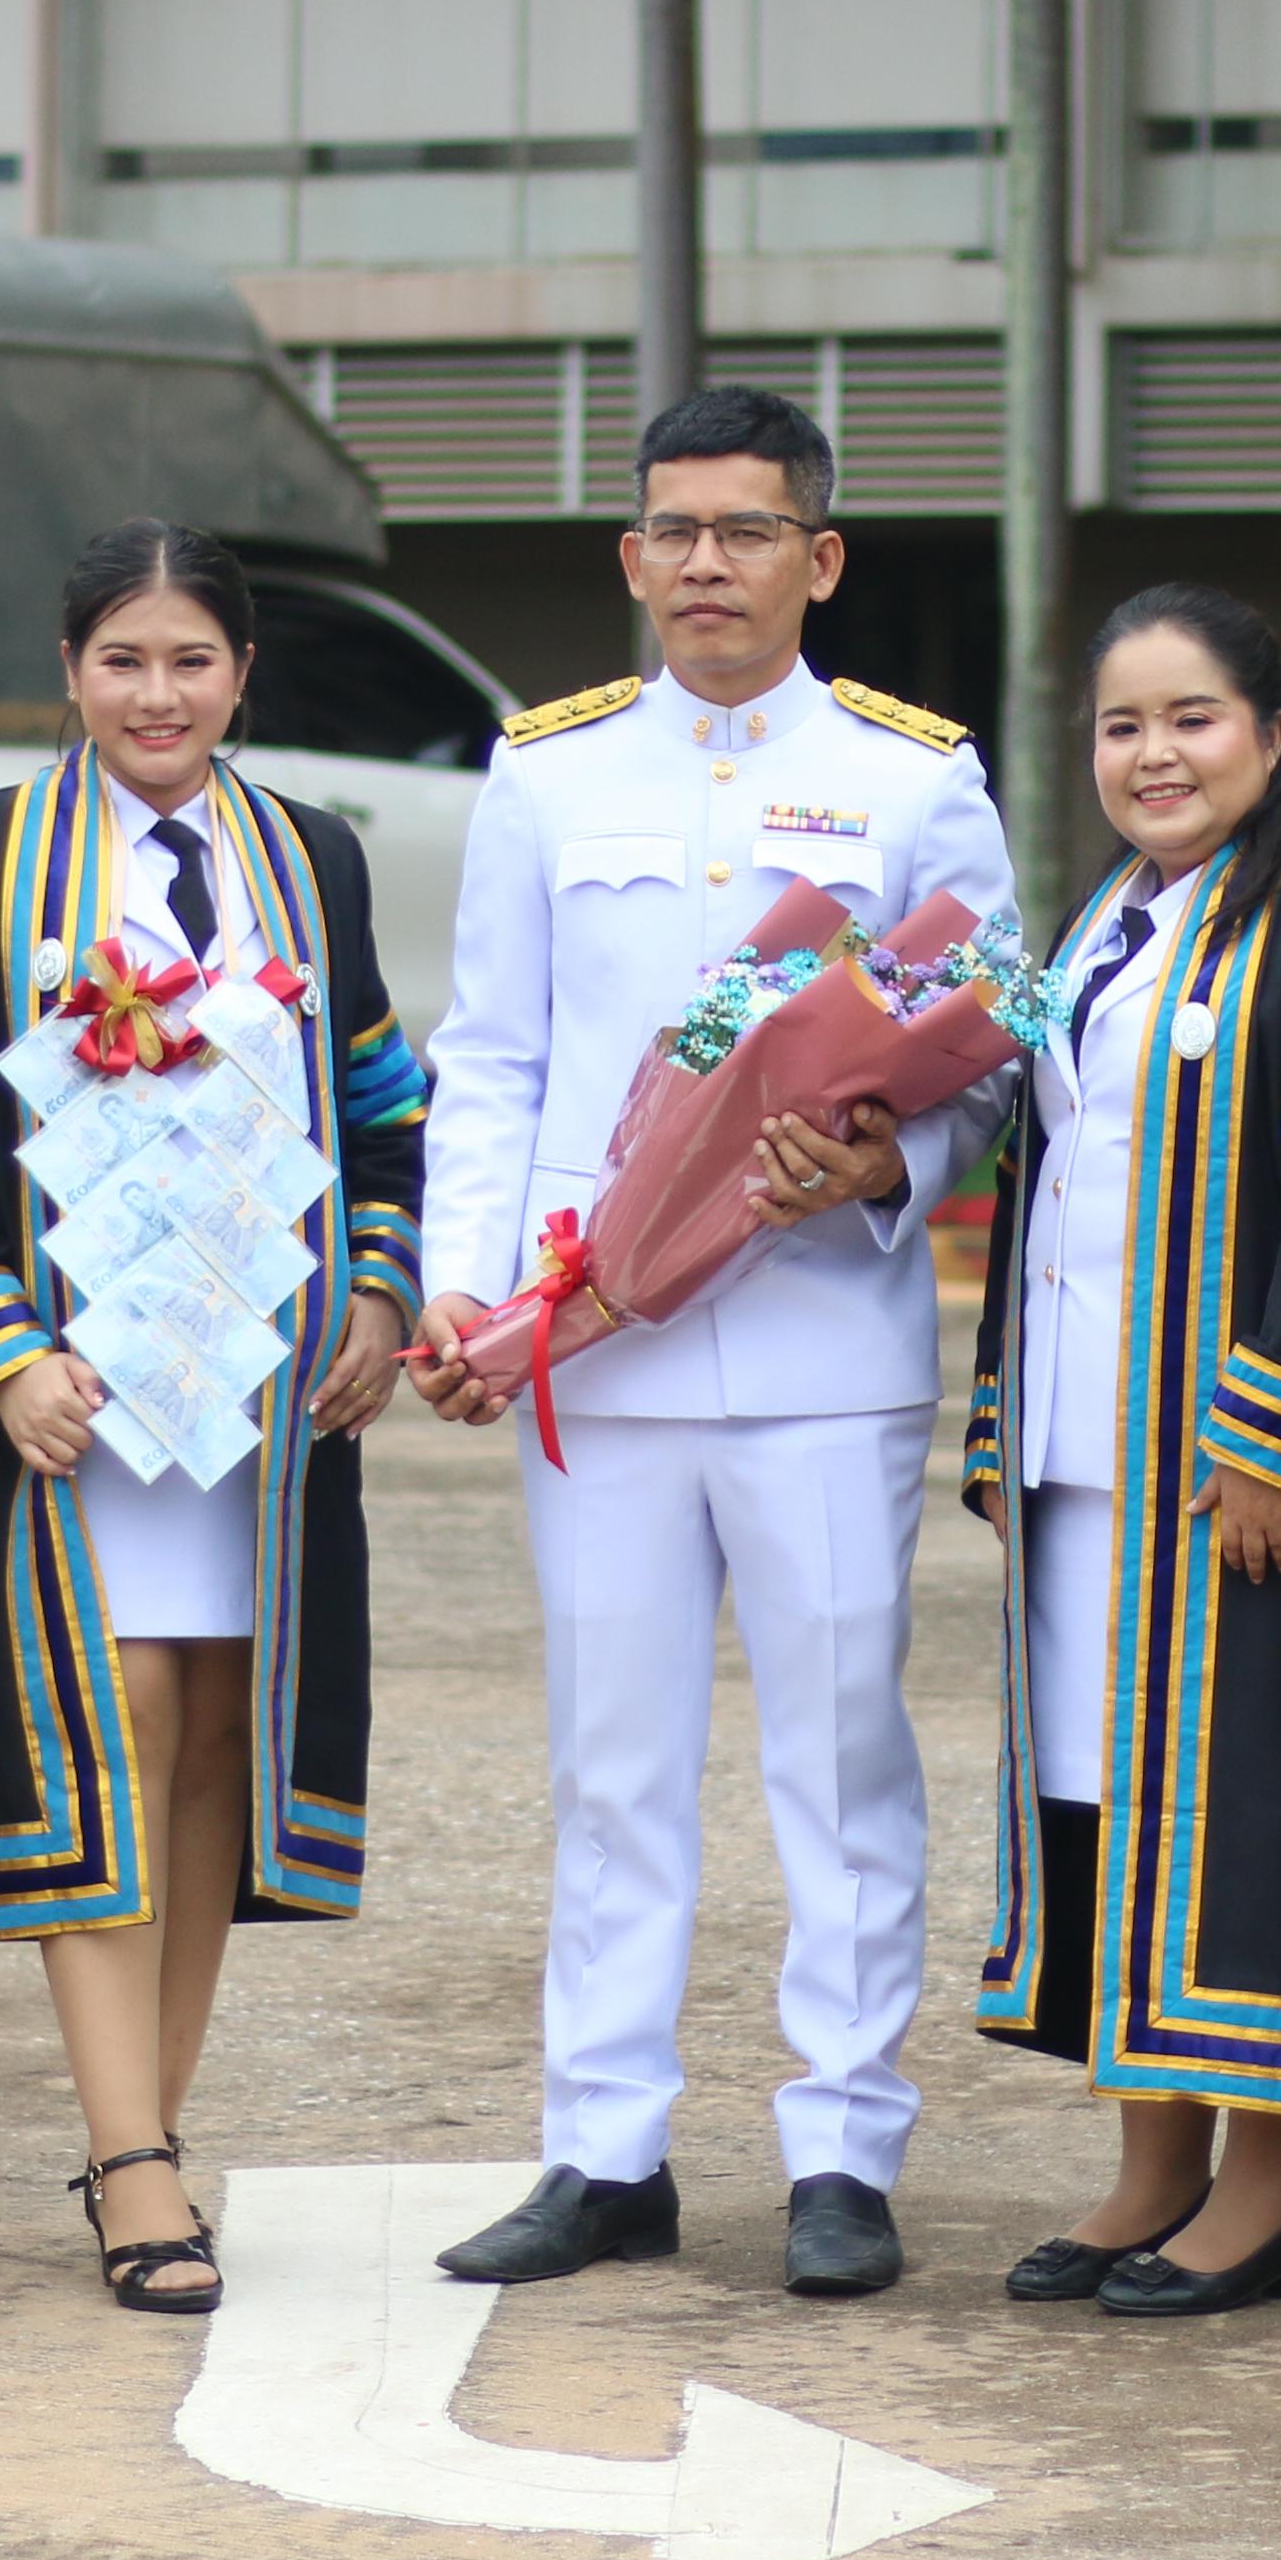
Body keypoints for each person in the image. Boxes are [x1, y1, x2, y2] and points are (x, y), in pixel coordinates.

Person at [403, 385, 1019, 2302]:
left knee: (840, 1755)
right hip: (600, 1350)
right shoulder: (549, 768)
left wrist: (878, 1167)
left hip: (824, 1342)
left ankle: (843, 2147)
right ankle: (604, 2145)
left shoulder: (916, 776)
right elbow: (492, 1054)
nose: (704, 565)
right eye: (673, 531)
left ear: (818, 559)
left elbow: (989, 1055)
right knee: (613, 1759)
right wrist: (466, 1281)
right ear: (630, 557)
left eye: (746, 531)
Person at [0, 521, 432, 2313]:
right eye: (124, 660)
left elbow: (385, 1107)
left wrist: (381, 1286)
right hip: (79, 1399)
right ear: (70, 672)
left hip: (258, 1410)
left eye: (193, 661)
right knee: (104, 1726)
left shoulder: (312, 861)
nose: (159, 694)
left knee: (206, 1750)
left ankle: (150, 2139)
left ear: (242, 677)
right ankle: (132, 2162)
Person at [961, 585, 1281, 2317]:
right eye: (1121, 726)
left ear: (1272, 736)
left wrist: (1278, 1432)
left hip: (1246, 1471)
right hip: (1092, 1464)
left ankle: (1271, 2195)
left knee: (1264, 1811)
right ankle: (1153, 2164)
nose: (1154, 754)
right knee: (1109, 1807)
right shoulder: (1095, 934)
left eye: (1193, 719)